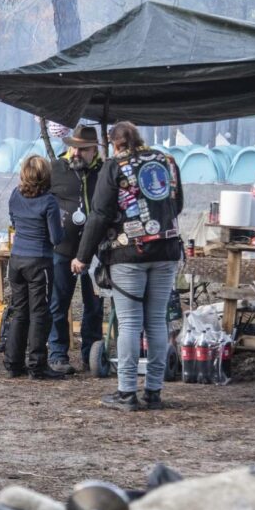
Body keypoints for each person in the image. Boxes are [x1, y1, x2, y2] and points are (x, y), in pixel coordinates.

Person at [73, 121, 183, 411]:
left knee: (131, 323)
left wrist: (82, 256)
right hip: (167, 248)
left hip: (128, 252)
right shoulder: (167, 161)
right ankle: (154, 391)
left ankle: (126, 392)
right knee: (157, 320)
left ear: (115, 143)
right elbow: (177, 204)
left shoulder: (114, 166)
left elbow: (99, 214)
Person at [47, 124, 105, 376]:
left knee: (94, 304)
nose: (77, 154)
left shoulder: (105, 172)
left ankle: (91, 354)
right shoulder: (55, 169)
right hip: (62, 248)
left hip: (97, 252)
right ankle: (57, 353)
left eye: (84, 150)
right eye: (74, 148)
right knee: (58, 302)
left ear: (95, 151)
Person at [6, 155, 65, 380]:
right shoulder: (49, 202)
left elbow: (13, 221)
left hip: (17, 260)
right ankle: (37, 365)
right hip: (39, 262)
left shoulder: (14, 194)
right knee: (40, 313)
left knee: (20, 311)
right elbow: (56, 237)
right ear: (45, 176)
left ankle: (13, 364)